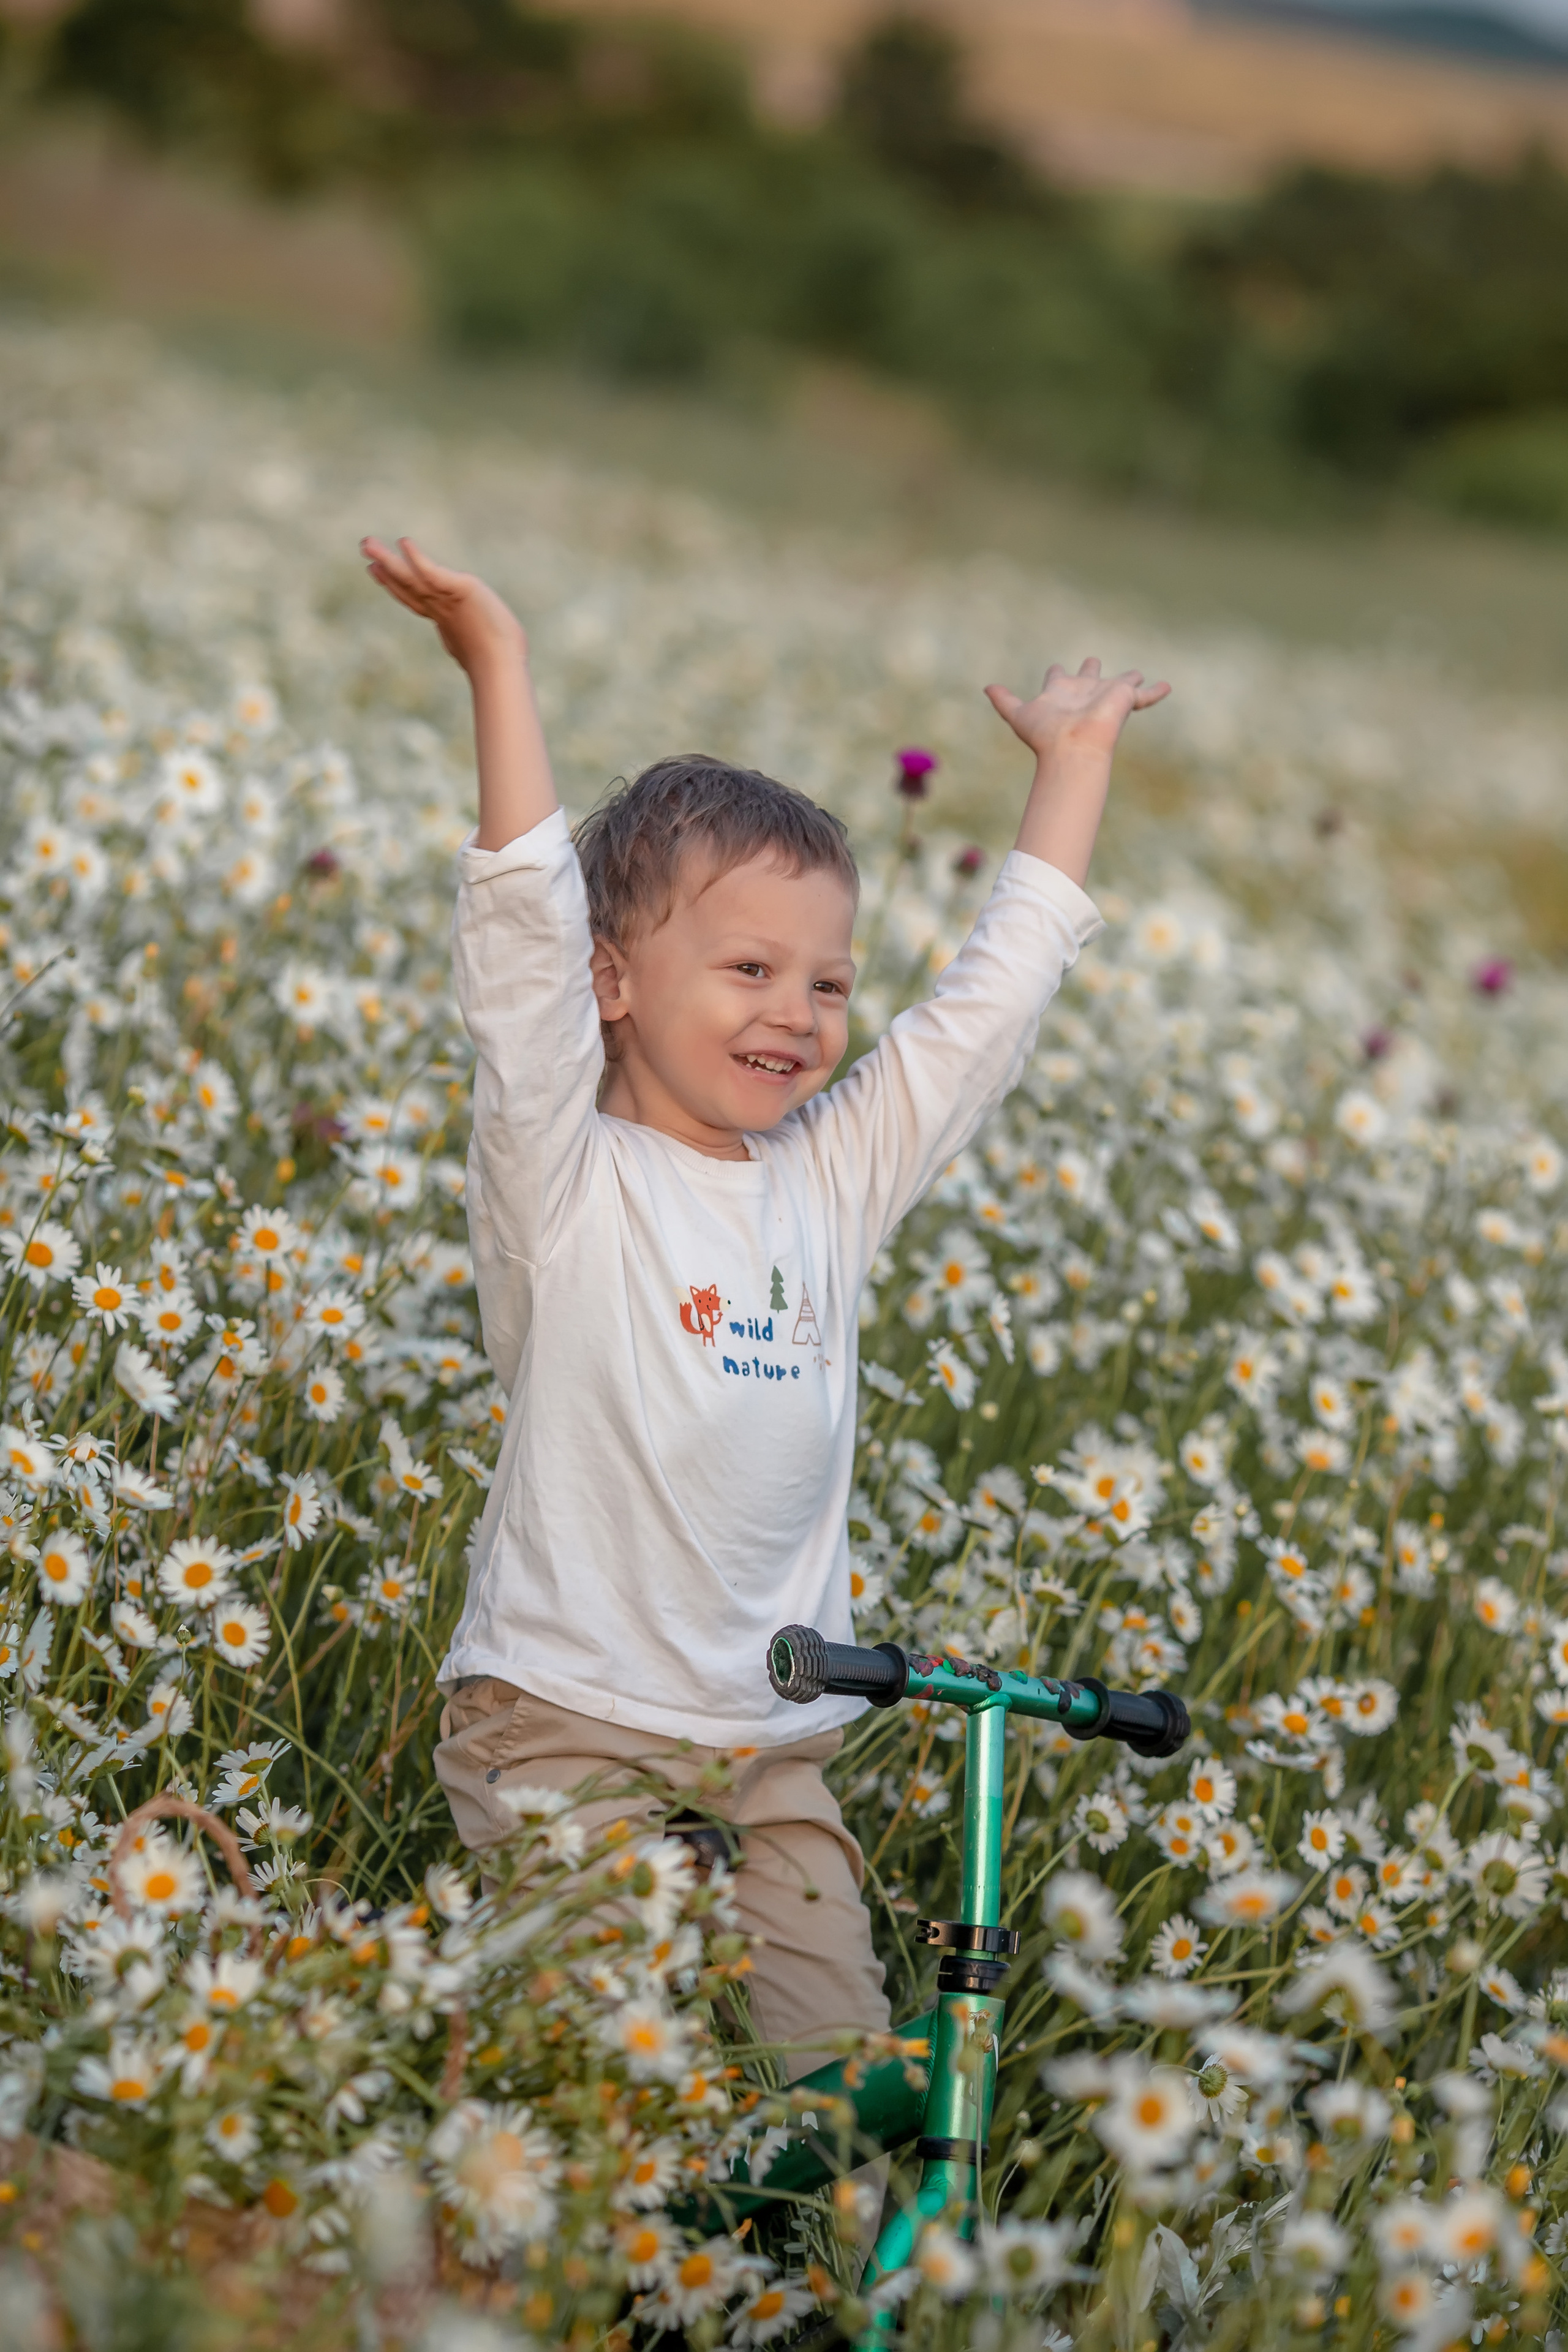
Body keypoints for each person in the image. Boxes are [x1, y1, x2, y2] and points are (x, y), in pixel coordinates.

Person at [360, 532, 1169, 2077]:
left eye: (822, 982)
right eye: (746, 968)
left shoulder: (828, 1176)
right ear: (614, 982)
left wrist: (1069, 770)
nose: (793, 1015)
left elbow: (983, 1013)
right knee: (596, 2074)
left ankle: (829, 2286)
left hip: (773, 1746)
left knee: (847, 2082)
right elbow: (516, 948)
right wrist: (495, 663)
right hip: (560, 1719)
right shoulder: (562, 1171)